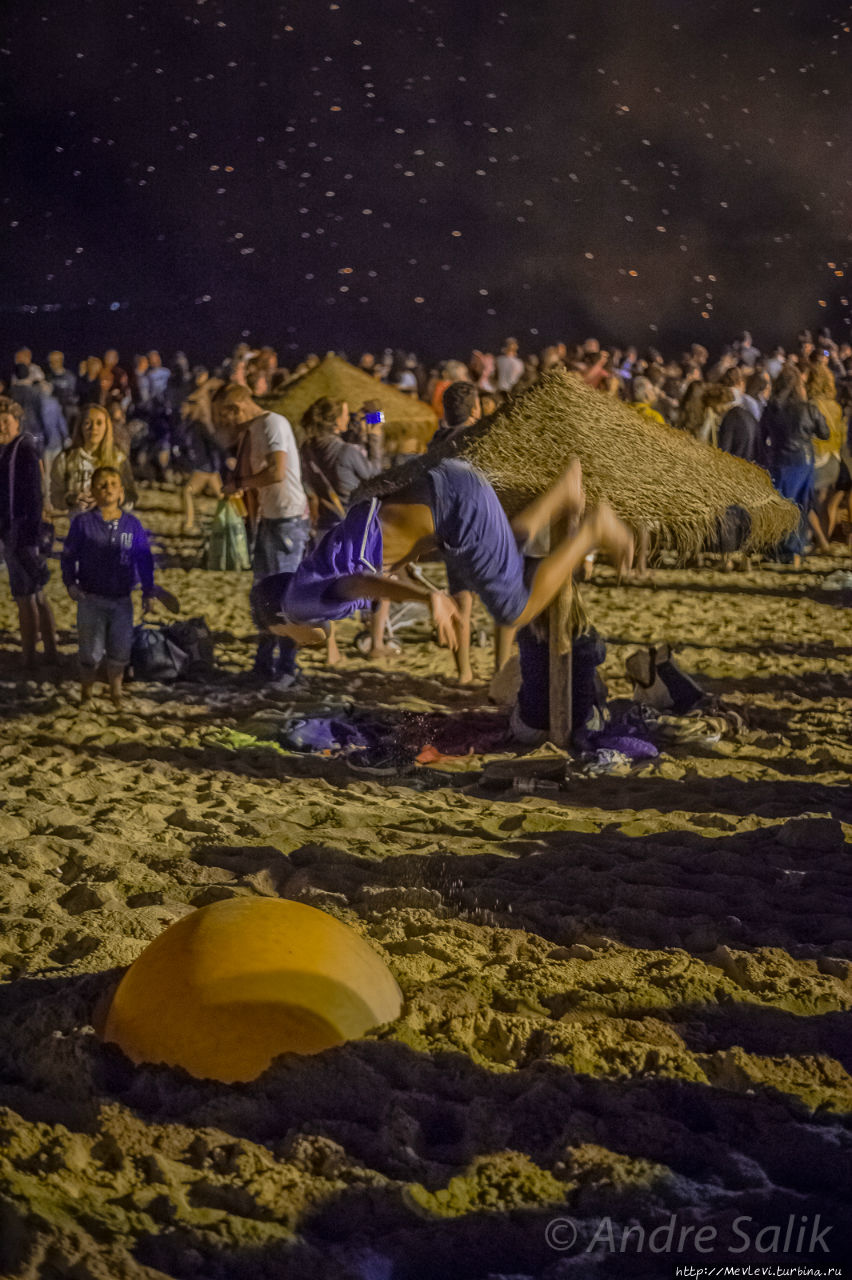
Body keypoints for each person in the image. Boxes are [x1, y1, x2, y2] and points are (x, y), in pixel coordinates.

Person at [270, 458, 633, 669]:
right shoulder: (310, 573)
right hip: (450, 488)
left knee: (514, 609)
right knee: (507, 554)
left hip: (455, 508)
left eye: (286, 639)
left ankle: (592, 529)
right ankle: (563, 491)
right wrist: (410, 574)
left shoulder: (298, 605)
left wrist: (428, 599)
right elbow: (374, 560)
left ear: (279, 624)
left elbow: (359, 584)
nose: (299, 646)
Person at [213, 381, 309, 684]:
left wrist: (241, 484)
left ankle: (287, 668)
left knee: (282, 596)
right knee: (264, 595)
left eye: (223, 415)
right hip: (273, 518)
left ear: (236, 407)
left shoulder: (272, 423)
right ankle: (265, 662)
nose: (223, 423)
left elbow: (276, 472)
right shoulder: (256, 429)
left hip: (288, 519)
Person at [61, 465, 161, 708]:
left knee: (120, 649)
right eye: (102, 485)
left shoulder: (132, 525)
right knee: (90, 651)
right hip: (91, 598)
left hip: (121, 600)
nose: (108, 489)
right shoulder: (83, 523)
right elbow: (68, 555)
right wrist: (70, 583)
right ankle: (87, 693)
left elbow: (144, 559)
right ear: (93, 490)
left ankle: (116, 693)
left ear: (121, 493)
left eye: (113, 484)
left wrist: (148, 591)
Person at [0, 396, 59, 669]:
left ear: (17, 421)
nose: (1, 426)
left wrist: (28, 536)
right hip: (18, 533)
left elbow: (34, 496)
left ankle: (30, 656)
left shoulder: (22, 448)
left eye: (5, 421)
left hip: (22, 534)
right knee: (36, 595)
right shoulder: (10, 449)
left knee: (26, 597)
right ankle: (49, 651)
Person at [765, 367, 830, 564]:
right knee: (801, 504)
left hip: (779, 459)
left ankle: (780, 548)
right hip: (803, 458)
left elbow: (763, 435)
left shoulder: (772, 408)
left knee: (782, 502)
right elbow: (824, 433)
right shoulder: (808, 408)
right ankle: (795, 551)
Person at [50, 403, 135, 514]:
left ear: (107, 427)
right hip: (80, 526)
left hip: (112, 526)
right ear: (80, 427)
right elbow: (55, 497)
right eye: (87, 423)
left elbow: (131, 497)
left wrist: (114, 498)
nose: (94, 428)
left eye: (99, 423)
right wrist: (71, 499)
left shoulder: (118, 459)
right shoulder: (65, 459)